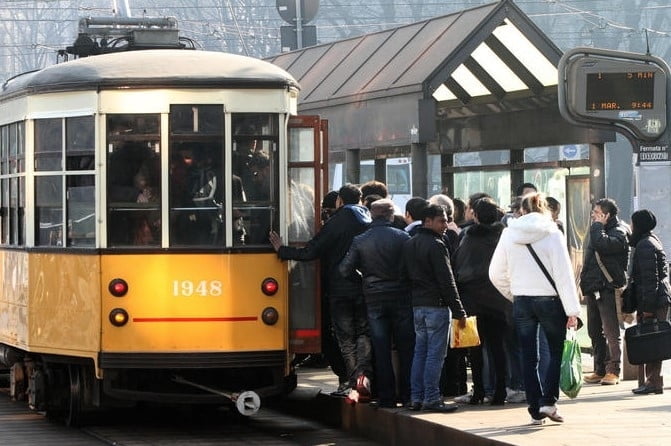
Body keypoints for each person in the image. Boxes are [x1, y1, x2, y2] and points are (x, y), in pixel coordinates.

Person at [269, 184, 373, 399]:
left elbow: (311, 251)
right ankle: (365, 379)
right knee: (363, 334)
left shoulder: (338, 222)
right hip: (364, 288)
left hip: (339, 288)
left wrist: (282, 250)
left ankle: (350, 381)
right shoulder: (368, 219)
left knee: (344, 338)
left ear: (339, 202)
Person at [489, 192, 580, 424]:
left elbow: (495, 273)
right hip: (550, 301)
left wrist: (514, 293)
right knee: (555, 352)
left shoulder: (509, 233)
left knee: (528, 357)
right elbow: (564, 275)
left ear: (522, 210)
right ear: (544, 208)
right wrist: (572, 310)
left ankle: (534, 409)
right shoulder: (552, 233)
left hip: (522, 300)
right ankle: (548, 402)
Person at [339, 199, 414, 408]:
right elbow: (411, 267)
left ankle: (387, 397)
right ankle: (408, 394)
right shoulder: (403, 237)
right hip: (401, 297)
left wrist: (364, 280)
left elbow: (344, 270)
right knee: (405, 347)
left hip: (374, 299)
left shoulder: (360, 240)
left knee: (381, 350)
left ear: (372, 215)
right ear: (391, 215)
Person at [403, 204, 467, 413]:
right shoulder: (437, 245)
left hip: (417, 306)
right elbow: (447, 281)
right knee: (435, 355)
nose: (446, 225)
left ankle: (416, 397)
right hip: (436, 307)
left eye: (447, 220)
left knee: (420, 352)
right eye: (441, 220)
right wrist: (459, 311)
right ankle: (431, 397)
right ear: (427, 221)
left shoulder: (410, 243)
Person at [452, 197, 510, 406]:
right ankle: (500, 391)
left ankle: (478, 391)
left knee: (475, 348)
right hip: (498, 300)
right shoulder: (504, 237)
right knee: (498, 348)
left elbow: (457, 266)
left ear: (475, 215)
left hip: (471, 301)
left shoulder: (467, 237)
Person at [580, 198, 630, 386]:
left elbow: (604, 245)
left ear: (607, 215)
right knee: (594, 330)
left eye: (597, 212)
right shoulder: (598, 230)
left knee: (610, 330)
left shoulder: (619, 231)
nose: (593, 215)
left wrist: (597, 227)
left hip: (607, 288)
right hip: (594, 287)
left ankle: (613, 370)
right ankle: (599, 368)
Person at [627, 210, 670, 395]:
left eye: (633, 223)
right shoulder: (652, 240)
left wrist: (648, 308)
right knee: (653, 340)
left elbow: (649, 279)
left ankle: (653, 382)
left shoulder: (645, 245)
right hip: (657, 297)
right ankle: (652, 381)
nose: (630, 226)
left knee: (651, 341)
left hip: (653, 300)